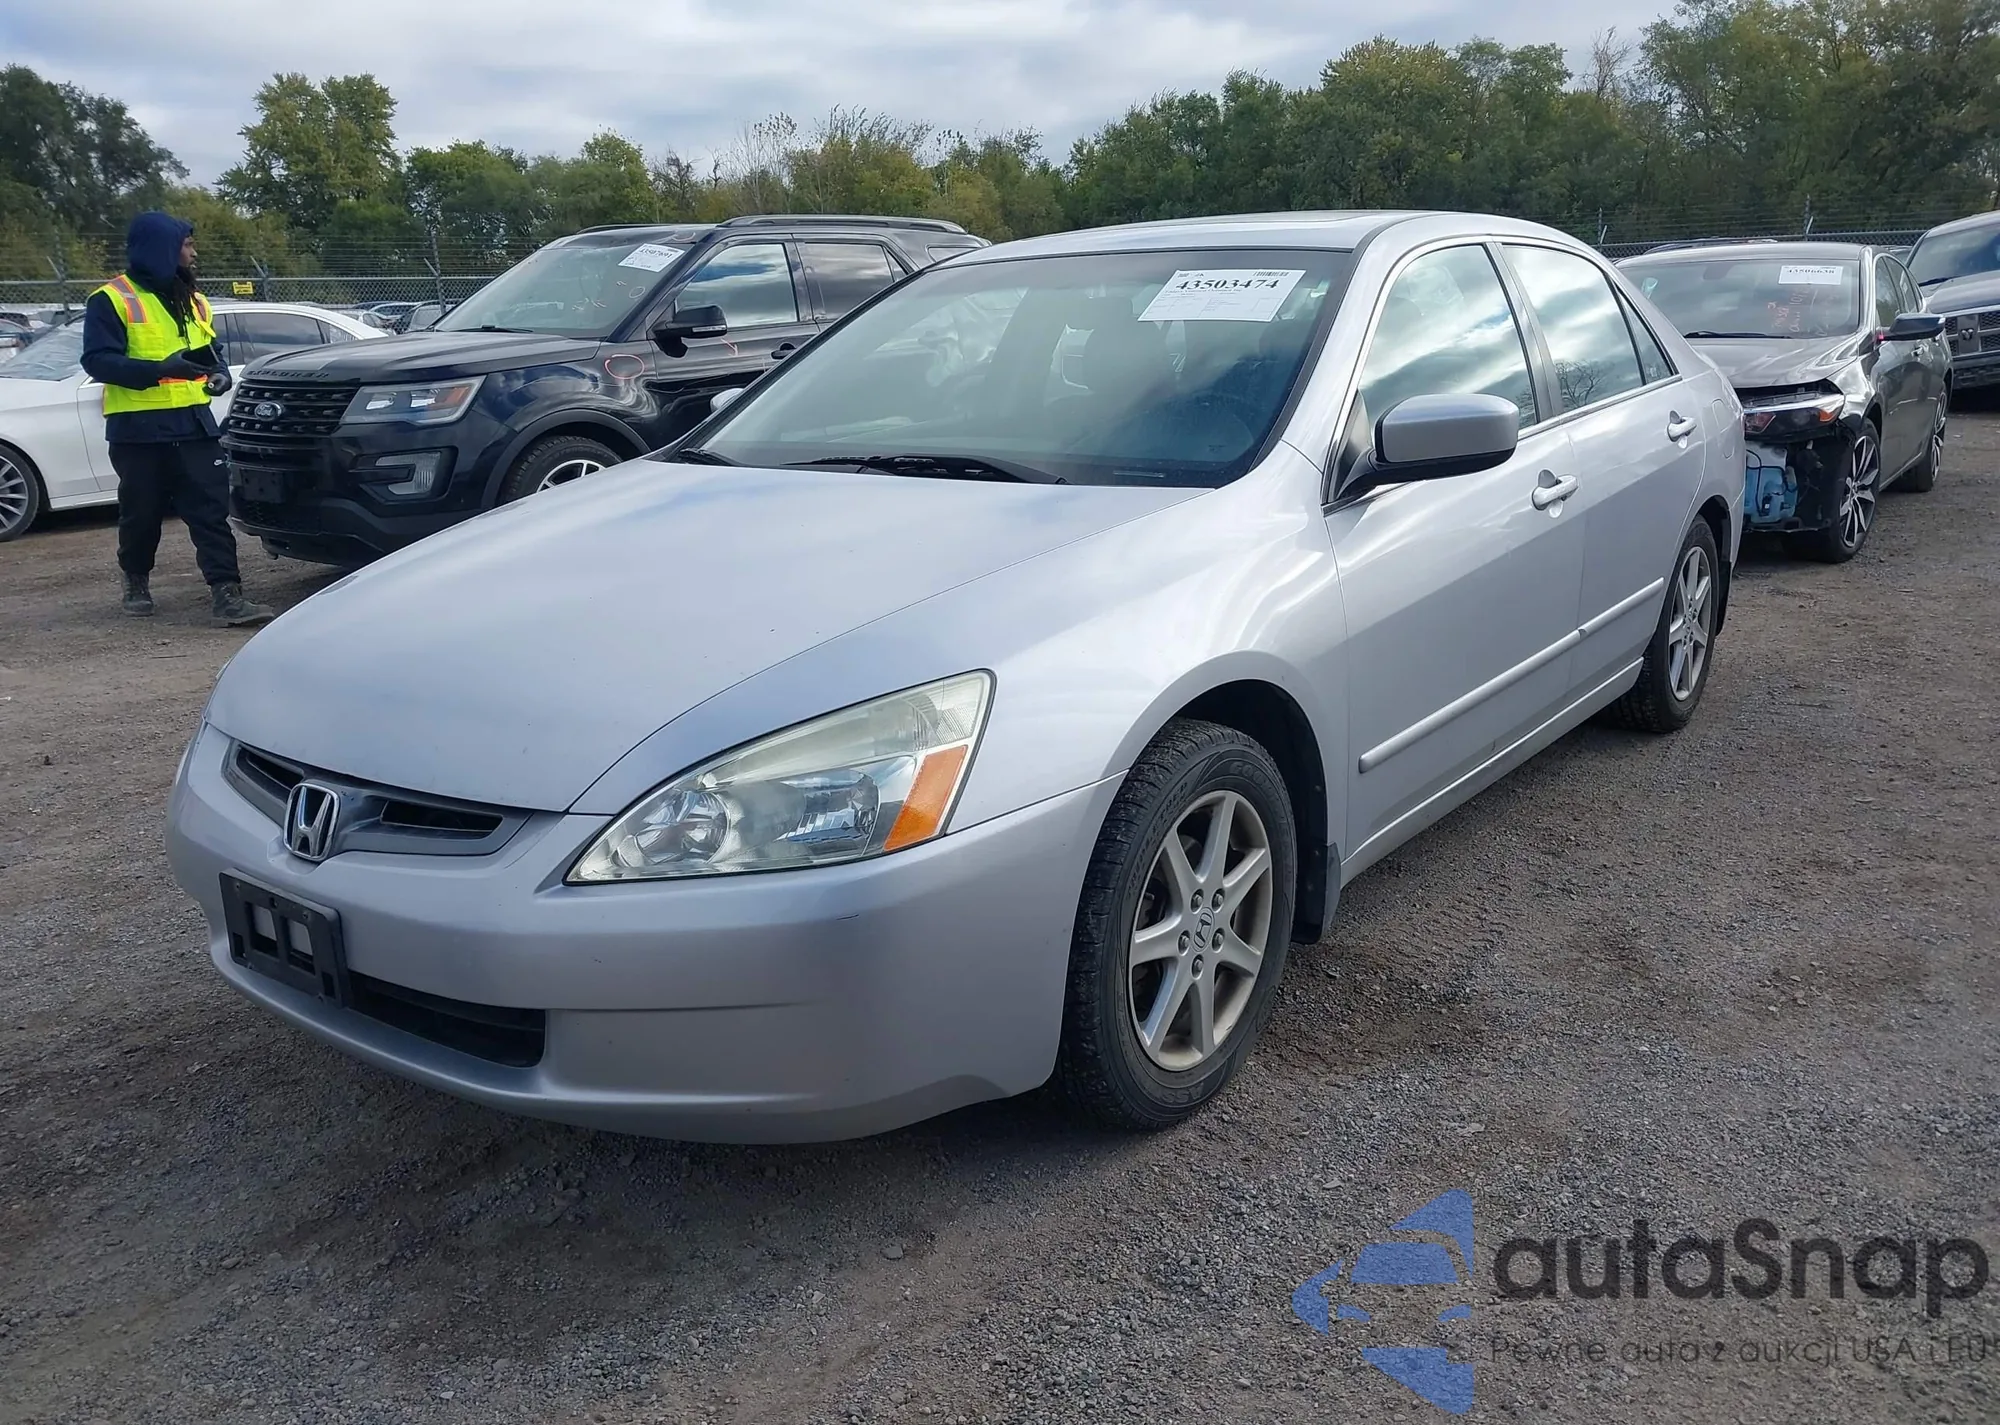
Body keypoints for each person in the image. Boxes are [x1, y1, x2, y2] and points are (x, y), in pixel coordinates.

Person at [80, 212, 273, 626]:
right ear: (163, 248)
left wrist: (218, 372)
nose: (194, 253)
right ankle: (136, 580)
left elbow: (209, 350)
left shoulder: (194, 299)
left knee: (210, 512)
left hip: (193, 423)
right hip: (138, 429)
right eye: (187, 245)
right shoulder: (111, 299)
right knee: (141, 514)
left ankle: (227, 594)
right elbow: (97, 361)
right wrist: (157, 370)